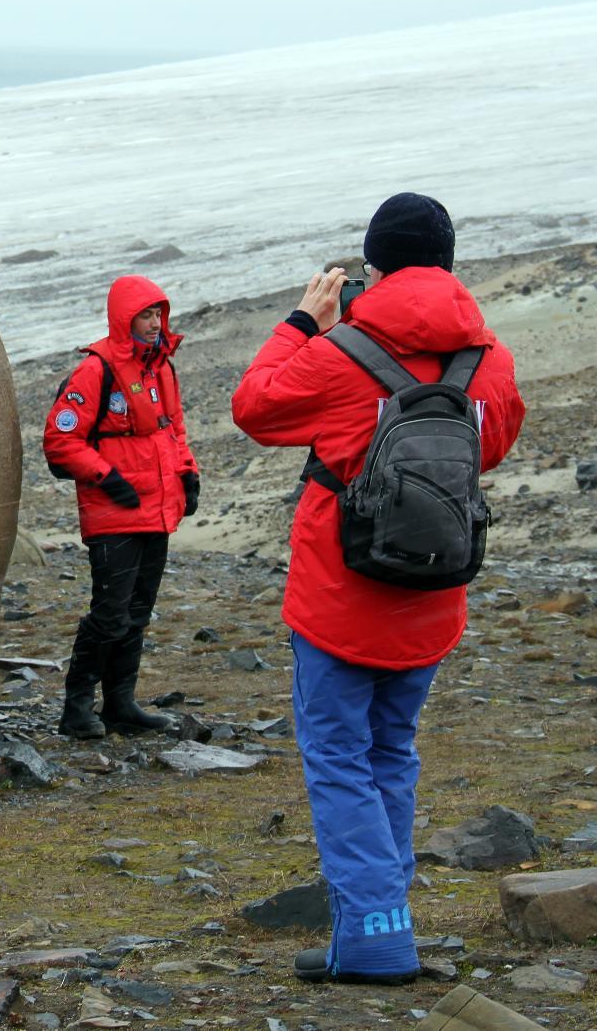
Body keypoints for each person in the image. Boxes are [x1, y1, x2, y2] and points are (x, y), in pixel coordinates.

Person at [231, 193, 525, 985]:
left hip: (338, 595)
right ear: (449, 263)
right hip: (433, 593)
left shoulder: (341, 351)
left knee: (336, 758)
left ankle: (375, 936)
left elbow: (253, 410)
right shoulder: (487, 358)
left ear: (374, 265)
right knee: (391, 751)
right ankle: (382, 915)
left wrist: (301, 324)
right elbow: (489, 447)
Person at [43, 274, 200, 739]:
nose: (154, 324)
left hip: (157, 509)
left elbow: (173, 430)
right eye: (145, 315)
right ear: (123, 319)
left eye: (158, 314)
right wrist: (107, 478)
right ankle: (77, 708)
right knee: (110, 613)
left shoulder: (161, 366)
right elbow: (60, 440)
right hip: (114, 514)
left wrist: (187, 473)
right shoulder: (96, 370)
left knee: (137, 610)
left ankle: (120, 705)